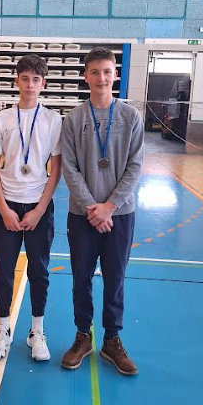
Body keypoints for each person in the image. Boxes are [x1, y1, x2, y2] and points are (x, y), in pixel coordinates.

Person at [60, 47, 144, 374]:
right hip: (82, 216)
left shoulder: (131, 117)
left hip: (119, 215)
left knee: (115, 278)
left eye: (107, 71)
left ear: (115, 75)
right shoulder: (73, 119)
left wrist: (109, 206)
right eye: (94, 72)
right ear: (86, 76)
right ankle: (83, 335)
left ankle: (112, 339)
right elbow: (69, 167)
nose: (101, 78)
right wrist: (91, 207)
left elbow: (135, 166)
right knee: (81, 278)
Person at [0, 54, 62, 361]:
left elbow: (55, 170)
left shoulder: (54, 120)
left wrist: (40, 210)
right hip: (7, 204)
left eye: (36, 79)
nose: (30, 85)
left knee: (39, 270)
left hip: (38, 206)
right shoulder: (2, 118)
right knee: (4, 270)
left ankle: (36, 331)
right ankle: (2, 329)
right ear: (16, 81)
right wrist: (4, 208)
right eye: (25, 78)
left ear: (43, 83)